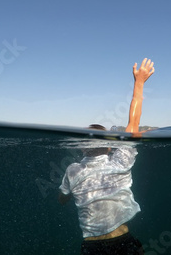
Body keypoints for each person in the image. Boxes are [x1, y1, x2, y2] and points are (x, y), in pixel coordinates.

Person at [58, 58, 155, 255]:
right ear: (110, 147)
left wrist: (68, 193)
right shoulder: (121, 160)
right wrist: (139, 83)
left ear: (82, 148)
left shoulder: (73, 170)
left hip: (92, 247)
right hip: (123, 243)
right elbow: (133, 123)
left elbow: (62, 199)